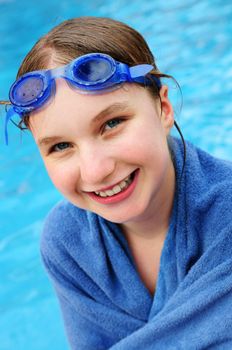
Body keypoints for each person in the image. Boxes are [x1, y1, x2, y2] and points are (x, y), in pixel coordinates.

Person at [2, 16, 232, 350]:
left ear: (164, 109)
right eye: (61, 146)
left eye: (112, 123)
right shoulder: (67, 243)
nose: (95, 171)